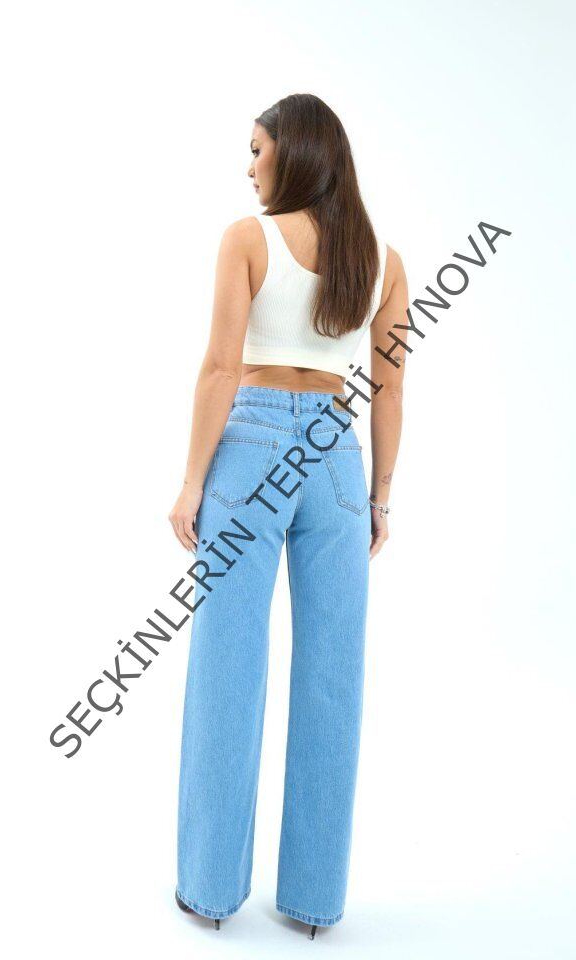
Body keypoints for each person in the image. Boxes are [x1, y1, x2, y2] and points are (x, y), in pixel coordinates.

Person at [169, 93, 409, 938]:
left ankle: (208, 890)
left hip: (253, 450)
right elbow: (390, 389)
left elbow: (218, 369)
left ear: (292, 154)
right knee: (333, 677)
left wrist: (191, 483)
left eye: (256, 148)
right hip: (338, 460)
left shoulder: (249, 239)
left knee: (227, 668)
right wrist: (380, 497)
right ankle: (314, 901)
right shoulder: (382, 260)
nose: (249, 166)